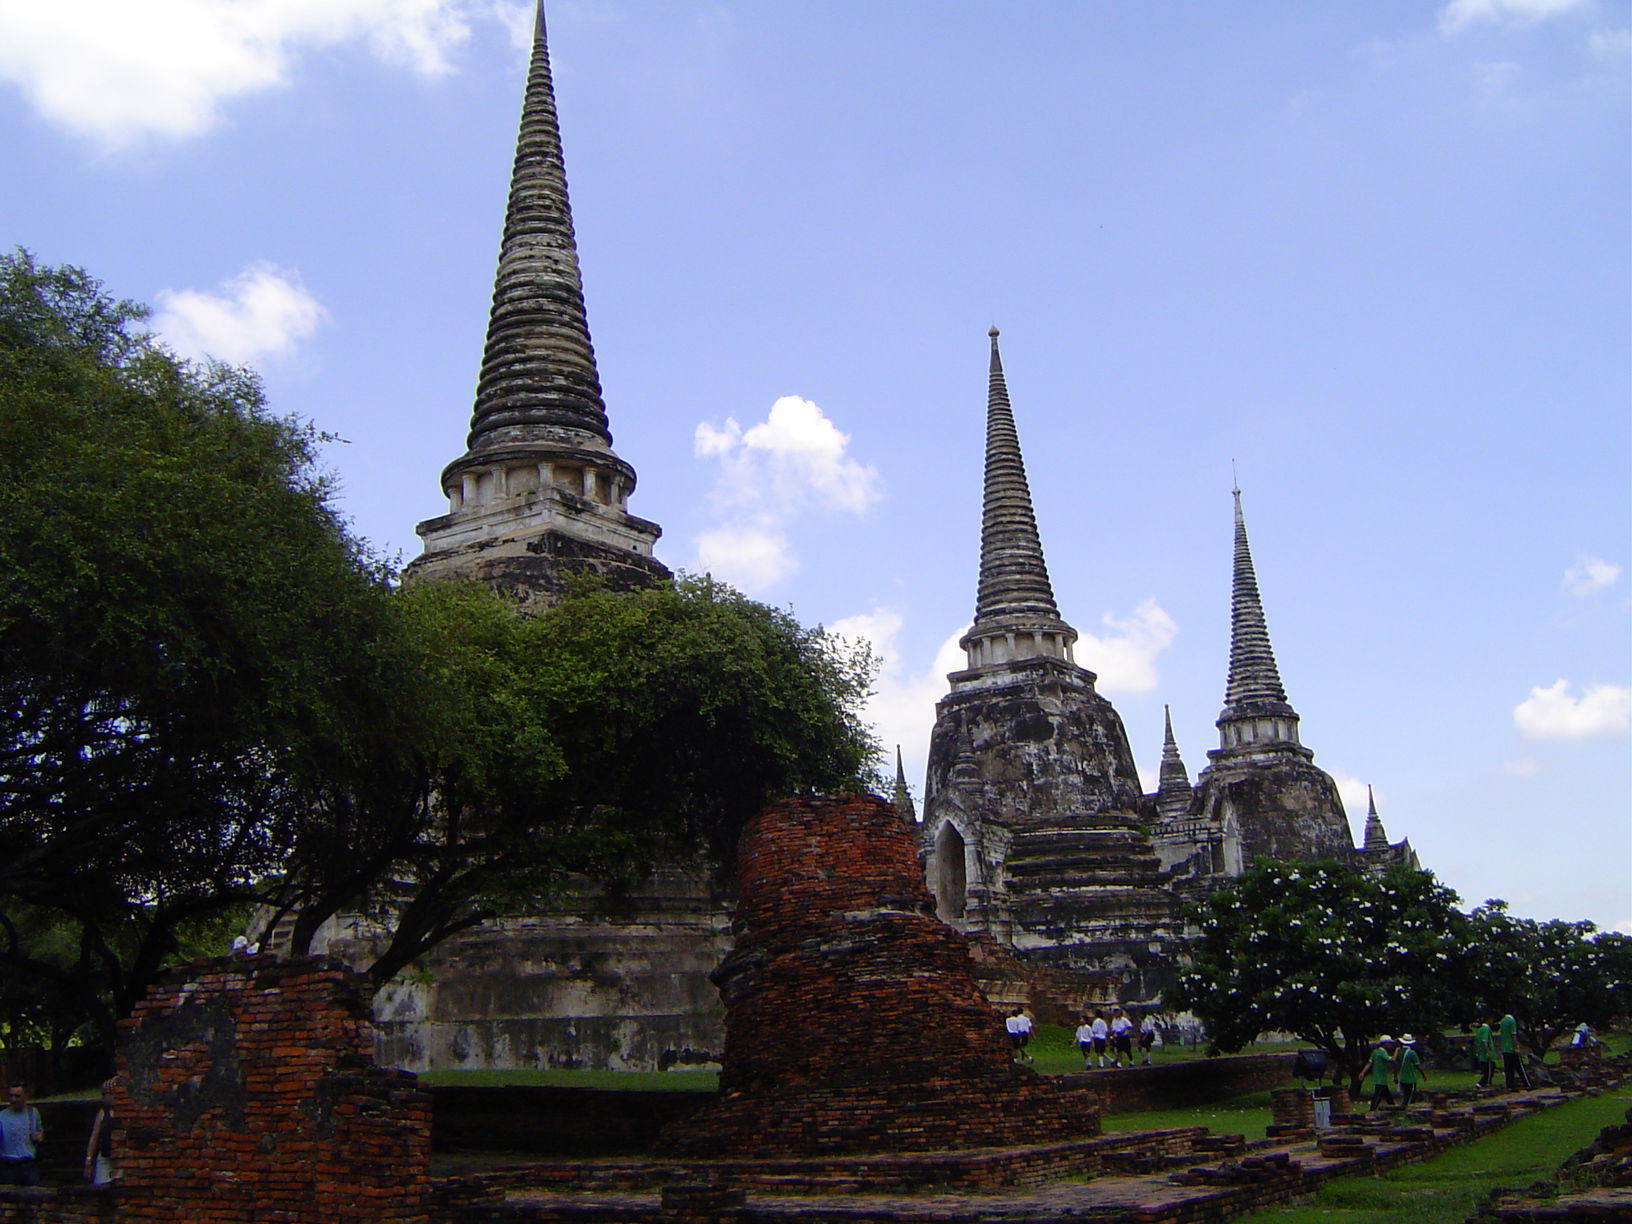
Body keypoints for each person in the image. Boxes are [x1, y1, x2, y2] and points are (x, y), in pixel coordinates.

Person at [0, 1084, 44, 1187]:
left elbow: (38, 1131)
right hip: (8, 1162)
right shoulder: (1, 1116)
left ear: (25, 1096)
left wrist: (38, 1137)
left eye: (17, 1096)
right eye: (11, 1096)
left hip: (27, 1162)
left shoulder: (32, 1113)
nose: (13, 1099)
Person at [84, 1080, 114, 1186]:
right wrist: (89, 1158)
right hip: (105, 1155)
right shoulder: (102, 1113)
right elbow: (94, 1136)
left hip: (119, 1156)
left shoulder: (124, 1112)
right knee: (100, 1184)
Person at [1498, 1012, 1531, 1089]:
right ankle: (1527, 1084)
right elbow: (1513, 1035)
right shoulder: (1511, 1020)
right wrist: (1516, 1047)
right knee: (1520, 1066)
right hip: (1511, 1048)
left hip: (1505, 1048)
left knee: (1508, 1068)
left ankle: (1510, 1086)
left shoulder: (1503, 1021)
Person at [1367, 1035, 1397, 1110]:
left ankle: (1393, 1106)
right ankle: (1372, 1109)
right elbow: (1392, 1059)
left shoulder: (1375, 1052)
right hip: (1380, 1078)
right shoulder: (1382, 1052)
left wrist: (1362, 1072)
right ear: (1384, 1044)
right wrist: (1397, 1050)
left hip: (1379, 1077)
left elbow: (1369, 1063)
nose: (1390, 1045)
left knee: (1386, 1095)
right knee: (1378, 1095)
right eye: (1389, 1043)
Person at [1397, 1033, 1427, 1107]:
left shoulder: (1399, 1052)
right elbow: (1417, 1065)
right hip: (1410, 1078)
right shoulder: (1412, 1053)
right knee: (1410, 1096)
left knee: (1405, 1095)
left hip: (1402, 1078)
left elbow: (1396, 1064)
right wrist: (1423, 1074)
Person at [1472, 1017, 1495, 1089]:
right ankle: (1481, 1083)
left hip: (1481, 1053)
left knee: (1487, 1069)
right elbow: (1484, 1041)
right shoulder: (1486, 1029)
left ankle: (1487, 1083)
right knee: (1489, 1070)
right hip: (1486, 1054)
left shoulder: (1479, 1030)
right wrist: (1488, 1052)